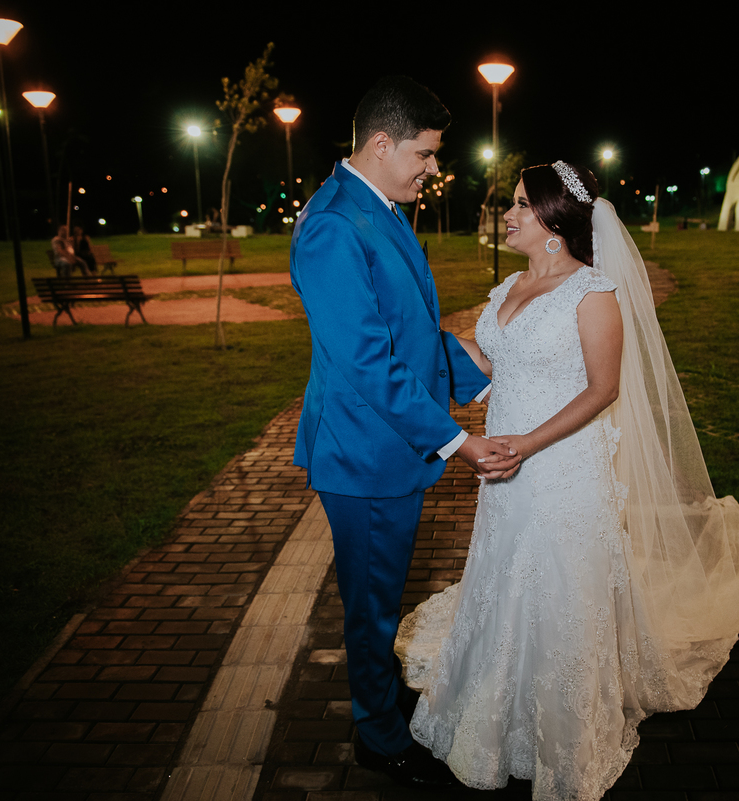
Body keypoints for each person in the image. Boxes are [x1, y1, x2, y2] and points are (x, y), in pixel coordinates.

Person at [396, 162, 739, 801]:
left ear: (554, 223)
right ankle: (497, 705)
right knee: (506, 575)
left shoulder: (592, 293)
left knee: (562, 586)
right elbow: (491, 361)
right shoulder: (507, 285)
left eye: (519, 204)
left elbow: (603, 388)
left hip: (562, 467)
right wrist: (417, 344)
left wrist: (525, 445)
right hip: (503, 468)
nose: (507, 214)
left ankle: (563, 737)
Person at [288, 75, 522, 790]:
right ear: (381, 144)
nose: (431, 166)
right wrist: (457, 438)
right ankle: (378, 736)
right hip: (363, 456)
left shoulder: (381, 206)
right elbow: (364, 359)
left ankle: (382, 703)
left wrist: (483, 373)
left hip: (385, 446)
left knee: (380, 594)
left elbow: (409, 331)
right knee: (371, 603)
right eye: (423, 153)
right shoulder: (332, 225)